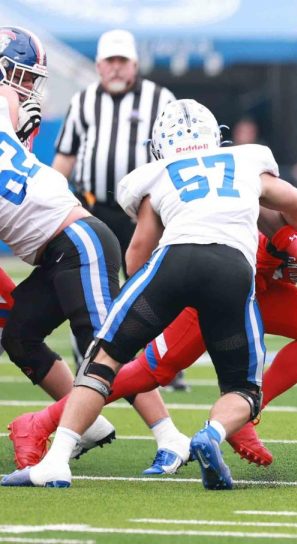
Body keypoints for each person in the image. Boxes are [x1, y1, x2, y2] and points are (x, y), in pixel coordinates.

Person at [2, 99, 297, 490]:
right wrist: (270, 226)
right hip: (233, 271)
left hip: (174, 263)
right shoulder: (246, 161)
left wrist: (147, 295)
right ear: (215, 137)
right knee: (243, 389)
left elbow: (138, 251)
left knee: (105, 359)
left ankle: (56, 461)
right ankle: (211, 434)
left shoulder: (158, 173)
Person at [8, 160, 297, 474]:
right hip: (226, 278)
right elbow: (269, 217)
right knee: (154, 369)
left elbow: (277, 266)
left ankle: (244, 418)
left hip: (257, 286)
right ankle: (40, 421)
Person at [1, 26, 175, 463]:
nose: (25, 90)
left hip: (79, 240)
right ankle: (88, 423)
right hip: (58, 248)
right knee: (18, 335)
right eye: (21, 78)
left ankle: (169, 437)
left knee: (107, 346)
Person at [51, 29, 176, 277]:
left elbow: (174, 158)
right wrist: (50, 198)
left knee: (142, 280)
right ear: (98, 65)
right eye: (110, 61)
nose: (116, 67)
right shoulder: (82, 100)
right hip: (93, 208)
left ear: (135, 64)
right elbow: (66, 156)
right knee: (92, 281)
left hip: (144, 212)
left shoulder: (161, 99)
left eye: (122, 61)